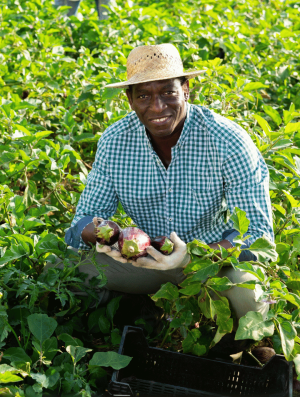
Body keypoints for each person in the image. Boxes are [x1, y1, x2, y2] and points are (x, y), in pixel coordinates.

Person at [65, 43, 275, 351]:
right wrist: (105, 235)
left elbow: (259, 236)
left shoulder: (226, 139)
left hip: (212, 262)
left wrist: (193, 256)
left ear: (186, 89)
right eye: (144, 96)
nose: (158, 106)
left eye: (168, 92)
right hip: (147, 258)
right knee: (65, 271)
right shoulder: (116, 141)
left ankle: (235, 350)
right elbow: (80, 223)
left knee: (249, 298)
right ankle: (132, 312)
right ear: (130, 100)